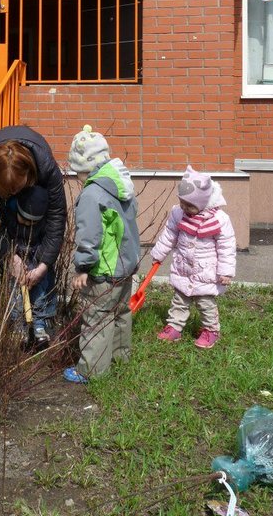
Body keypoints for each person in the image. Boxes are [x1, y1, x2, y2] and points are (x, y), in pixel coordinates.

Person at [63, 125, 141, 383]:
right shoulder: (120, 183)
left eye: (77, 172)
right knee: (121, 312)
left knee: (97, 317)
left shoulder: (92, 193)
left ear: (84, 168)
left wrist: (83, 266)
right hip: (126, 265)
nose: (77, 178)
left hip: (104, 270)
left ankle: (92, 369)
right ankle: (120, 357)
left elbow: (89, 234)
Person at [0, 125, 67, 342]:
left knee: (39, 258)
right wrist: (10, 256)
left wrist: (44, 264)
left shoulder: (46, 168)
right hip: (5, 214)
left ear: (28, 172)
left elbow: (56, 218)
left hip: (36, 205)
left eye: (17, 187)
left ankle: (42, 319)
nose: (13, 193)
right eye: (8, 190)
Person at [150, 165, 236, 349]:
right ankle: (174, 326)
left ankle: (211, 330)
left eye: (190, 205)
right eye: (182, 202)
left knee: (205, 303)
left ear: (204, 202)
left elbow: (227, 246)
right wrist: (158, 254)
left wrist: (226, 272)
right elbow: (169, 235)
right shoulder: (178, 214)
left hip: (206, 272)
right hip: (183, 268)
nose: (184, 208)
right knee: (179, 300)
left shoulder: (219, 220)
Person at [6, 185, 56, 348]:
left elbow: (49, 243)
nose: (28, 224)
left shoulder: (46, 221)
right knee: (16, 296)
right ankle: (18, 327)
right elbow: (4, 240)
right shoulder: (10, 214)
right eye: (25, 219)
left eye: (33, 222)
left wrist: (37, 268)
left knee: (40, 293)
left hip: (35, 262)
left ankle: (39, 325)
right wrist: (12, 258)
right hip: (16, 264)